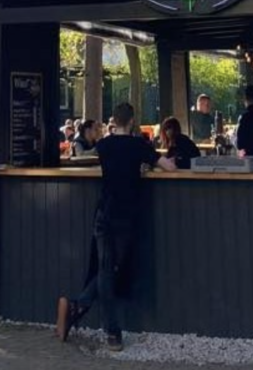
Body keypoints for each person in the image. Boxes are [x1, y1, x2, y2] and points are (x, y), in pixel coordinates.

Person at [56, 101, 177, 351]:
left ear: (114, 120)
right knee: (112, 269)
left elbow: (84, 158)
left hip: (104, 212)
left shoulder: (104, 145)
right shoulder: (139, 146)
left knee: (105, 268)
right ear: (132, 121)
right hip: (125, 215)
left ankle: (80, 306)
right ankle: (110, 330)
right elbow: (168, 166)